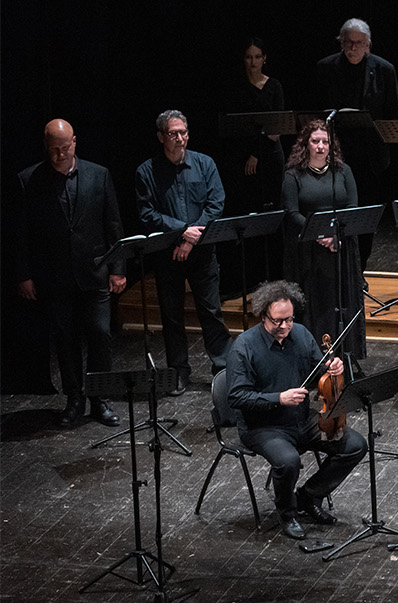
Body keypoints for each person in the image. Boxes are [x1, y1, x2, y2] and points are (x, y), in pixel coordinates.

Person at [227, 280, 368, 540]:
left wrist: (332, 367)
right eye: (277, 321)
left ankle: (308, 496)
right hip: (263, 426)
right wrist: (278, 398)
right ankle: (288, 513)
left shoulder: (301, 334)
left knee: (355, 445)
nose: (284, 327)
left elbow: (319, 370)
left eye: (289, 320)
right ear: (262, 316)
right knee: (288, 461)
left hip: (302, 418)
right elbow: (236, 397)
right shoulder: (243, 347)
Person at [13, 119, 126, 427]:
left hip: (95, 272)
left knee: (100, 334)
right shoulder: (29, 180)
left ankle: (99, 399)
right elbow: (21, 233)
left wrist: (117, 268)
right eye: (53, 150)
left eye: (65, 148)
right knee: (65, 338)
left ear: (75, 142)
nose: (60, 155)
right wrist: (24, 275)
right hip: (55, 276)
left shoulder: (98, 174)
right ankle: (74, 398)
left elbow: (113, 225)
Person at [135, 109, 233, 395]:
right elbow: (147, 213)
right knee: (172, 315)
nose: (180, 139)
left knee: (211, 311)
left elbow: (216, 204)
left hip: (201, 251)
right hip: (167, 253)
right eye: (173, 134)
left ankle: (222, 369)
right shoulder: (146, 171)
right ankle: (179, 371)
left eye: (183, 133)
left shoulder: (205, 164)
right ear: (161, 136)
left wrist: (190, 239)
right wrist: (181, 232)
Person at [281, 119, 366, 358]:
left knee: (342, 300)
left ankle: (345, 355)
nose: (320, 146)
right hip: (309, 250)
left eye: (325, 141)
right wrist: (320, 233)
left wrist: (336, 235)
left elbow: (352, 206)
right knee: (315, 304)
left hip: (341, 246)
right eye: (315, 141)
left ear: (331, 145)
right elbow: (292, 213)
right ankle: (314, 357)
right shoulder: (293, 175)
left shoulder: (343, 171)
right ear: (306, 144)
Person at [315, 19, 398, 229]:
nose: (354, 47)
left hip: (370, 155)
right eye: (349, 42)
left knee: (367, 213)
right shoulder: (325, 68)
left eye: (359, 42)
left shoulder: (384, 70)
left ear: (368, 44)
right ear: (341, 42)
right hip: (334, 151)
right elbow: (316, 111)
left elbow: (391, 113)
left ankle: (361, 260)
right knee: (335, 209)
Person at [221, 37, 286, 290]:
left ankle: (274, 275)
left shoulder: (275, 86)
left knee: (270, 212)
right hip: (241, 159)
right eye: (249, 57)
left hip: (268, 158)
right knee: (246, 213)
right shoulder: (235, 87)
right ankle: (247, 278)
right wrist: (248, 153)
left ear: (265, 59)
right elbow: (233, 127)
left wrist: (256, 154)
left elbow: (275, 129)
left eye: (258, 57)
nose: (253, 62)